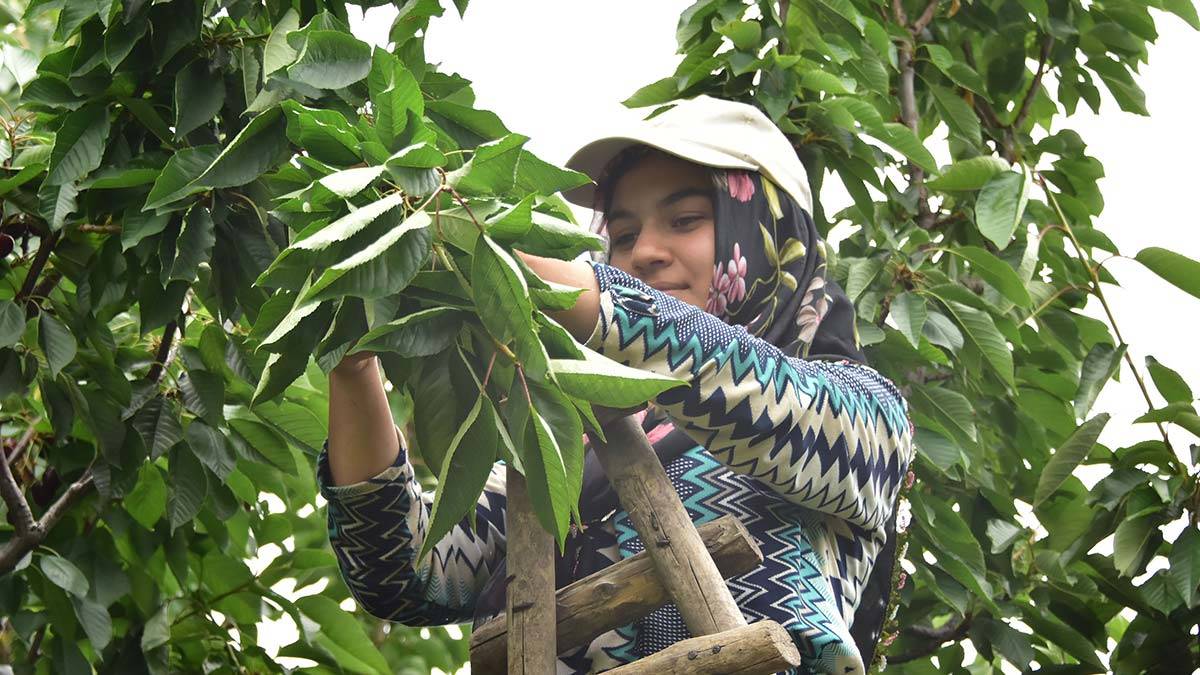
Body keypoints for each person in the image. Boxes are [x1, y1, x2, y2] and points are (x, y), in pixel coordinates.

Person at [318, 95, 915, 674]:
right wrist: (353, 358)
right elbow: (406, 574)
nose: (644, 253)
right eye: (623, 236)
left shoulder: (864, 421)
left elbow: (732, 376)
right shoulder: (569, 441)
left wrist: (502, 268)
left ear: (764, 232)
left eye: (685, 221)